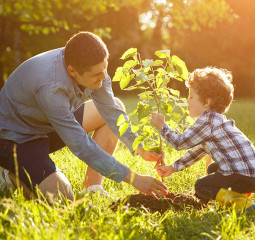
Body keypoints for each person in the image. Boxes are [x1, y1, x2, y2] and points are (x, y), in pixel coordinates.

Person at [0, 31, 167, 201]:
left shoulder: (92, 66)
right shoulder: (50, 86)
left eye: (105, 68)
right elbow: (81, 145)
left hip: (48, 124)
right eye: (96, 74)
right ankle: (11, 175)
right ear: (72, 71)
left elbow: (111, 111)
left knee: (116, 105)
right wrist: (134, 179)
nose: (104, 77)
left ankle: (92, 188)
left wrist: (139, 147)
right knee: (62, 198)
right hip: (16, 139)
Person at [150, 67, 255, 211]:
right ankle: (198, 203)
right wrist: (173, 167)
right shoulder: (214, 120)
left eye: (191, 97)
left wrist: (162, 126)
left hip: (245, 175)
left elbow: (180, 143)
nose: (187, 101)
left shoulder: (208, 121)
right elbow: (198, 151)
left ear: (206, 102)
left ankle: (241, 204)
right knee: (213, 169)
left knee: (201, 185)